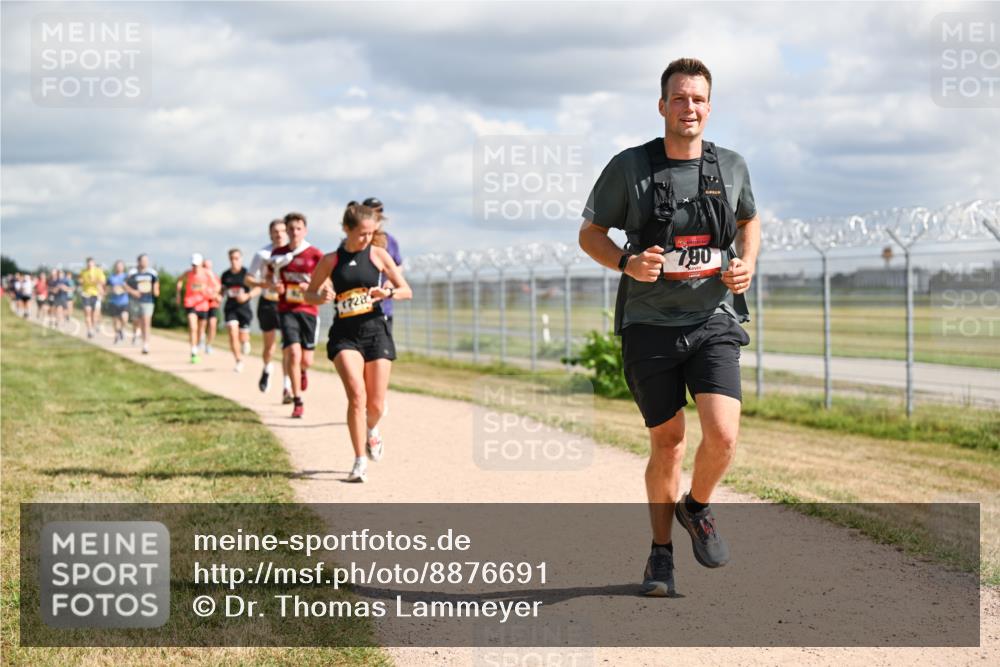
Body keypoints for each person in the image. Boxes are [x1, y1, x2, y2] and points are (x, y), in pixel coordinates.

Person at [578, 58, 760, 596]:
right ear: (662, 106)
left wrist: (746, 263)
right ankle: (661, 556)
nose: (690, 108)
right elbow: (591, 233)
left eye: (699, 99)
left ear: (710, 106)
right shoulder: (630, 167)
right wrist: (625, 263)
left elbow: (749, 219)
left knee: (723, 435)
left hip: (713, 318)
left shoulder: (731, 166)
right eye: (679, 98)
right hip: (649, 325)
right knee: (670, 442)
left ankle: (697, 507)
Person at [306, 203, 411, 483]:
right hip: (345, 334)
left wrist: (385, 291)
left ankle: (372, 430)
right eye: (362, 233)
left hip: (376, 330)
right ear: (346, 229)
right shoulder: (330, 261)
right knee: (356, 396)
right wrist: (323, 296)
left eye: (371, 233)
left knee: (375, 405)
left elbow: (405, 290)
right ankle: (358, 461)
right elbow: (309, 295)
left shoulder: (378, 255)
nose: (367, 238)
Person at [269, 212, 323, 418]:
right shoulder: (279, 254)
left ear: (305, 230)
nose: (294, 233)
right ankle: (297, 400)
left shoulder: (315, 255)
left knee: (306, 360)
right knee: (292, 353)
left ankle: (302, 372)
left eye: (298, 229)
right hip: (287, 309)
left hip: (309, 309)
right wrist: (276, 286)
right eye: (290, 229)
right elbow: (270, 277)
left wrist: (311, 286)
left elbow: (327, 281)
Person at [246, 219, 291, 397]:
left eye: (282, 231)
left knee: (288, 346)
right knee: (269, 347)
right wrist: (264, 283)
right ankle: (267, 368)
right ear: (270, 234)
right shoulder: (262, 254)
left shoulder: (292, 254)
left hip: (287, 302)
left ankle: (287, 385)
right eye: (275, 231)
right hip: (268, 302)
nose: (279, 234)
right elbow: (248, 279)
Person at [362, 197, 404, 335]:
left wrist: (391, 281)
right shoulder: (351, 242)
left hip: (383, 308)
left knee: (381, 354)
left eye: (379, 213)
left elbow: (399, 265)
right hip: (358, 308)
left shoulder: (390, 241)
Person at [221, 248, 257, 372]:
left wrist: (247, 296)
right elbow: (222, 291)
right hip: (230, 308)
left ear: (241, 259)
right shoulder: (225, 275)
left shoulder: (247, 274)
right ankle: (238, 361)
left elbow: (258, 289)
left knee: (243, 337)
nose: (234, 261)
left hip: (244, 309)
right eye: (231, 259)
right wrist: (218, 296)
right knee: (232, 332)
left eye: (236, 258)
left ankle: (246, 341)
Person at [176, 253, 212, 363]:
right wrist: (178, 293)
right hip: (190, 303)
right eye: (193, 265)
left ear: (201, 264)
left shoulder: (207, 274)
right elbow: (180, 280)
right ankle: (193, 350)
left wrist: (211, 292)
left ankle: (200, 340)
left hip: (203, 304)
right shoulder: (188, 273)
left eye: (196, 265)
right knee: (193, 327)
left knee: (201, 330)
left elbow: (216, 286)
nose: (194, 267)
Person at [125, 253, 159, 354]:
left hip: (148, 300)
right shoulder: (133, 273)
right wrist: (133, 292)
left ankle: (145, 345)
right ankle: (136, 331)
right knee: (136, 320)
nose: (145, 262)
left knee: (146, 321)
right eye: (143, 260)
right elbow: (125, 285)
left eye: (146, 260)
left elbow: (156, 283)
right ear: (138, 261)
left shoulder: (152, 273)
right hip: (135, 300)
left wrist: (156, 290)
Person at [78, 258, 106, 338]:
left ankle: (94, 327)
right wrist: (81, 281)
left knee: (95, 314)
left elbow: (103, 282)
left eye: (91, 263)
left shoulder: (98, 271)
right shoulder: (83, 272)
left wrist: (96, 281)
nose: (90, 265)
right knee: (87, 311)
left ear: (94, 264)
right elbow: (80, 280)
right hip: (86, 294)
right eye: (88, 264)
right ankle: (89, 330)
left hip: (96, 294)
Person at [106, 260, 131, 343]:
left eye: (120, 266)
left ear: (123, 267)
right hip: (113, 301)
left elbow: (130, 287)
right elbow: (106, 288)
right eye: (117, 266)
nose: (119, 267)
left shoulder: (127, 277)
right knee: (115, 320)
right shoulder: (111, 277)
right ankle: (117, 335)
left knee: (124, 318)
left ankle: (121, 330)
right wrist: (111, 290)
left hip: (124, 301)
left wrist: (124, 289)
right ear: (115, 267)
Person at [202, 258, 222, 355]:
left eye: (208, 267)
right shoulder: (199, 278)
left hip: (213, 304)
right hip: (202, 303)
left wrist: (217, 296)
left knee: (212, 324)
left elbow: (219, 290)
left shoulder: (215, 278)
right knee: (202, 324)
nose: (207, 269)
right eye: (205, 266)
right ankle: (200, 340)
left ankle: (209, 345)